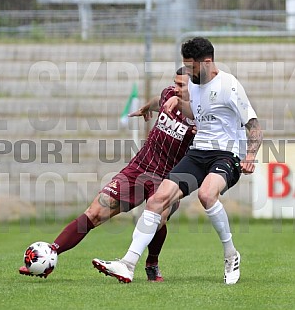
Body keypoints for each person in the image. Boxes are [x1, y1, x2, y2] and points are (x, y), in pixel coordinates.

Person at [92, 36, 263, 285]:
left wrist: (250, 156)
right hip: (198, 153)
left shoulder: (229, 86)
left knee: (206, 195)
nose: (189, 72)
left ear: (207, 62)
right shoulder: (193, 84)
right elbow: (198, 112)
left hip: (226, 155)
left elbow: (254, 126)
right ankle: (127, 264)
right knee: (157, 200)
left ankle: (230, 254)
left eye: (192, 66)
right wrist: (174, 103)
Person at [19, 67, 196, 281]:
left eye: (181, 85)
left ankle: (151, 263)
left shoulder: (202, 114)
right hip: (139, 167)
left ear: (195, 85)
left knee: (157, 218)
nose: (174, 89)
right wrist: (146, 107)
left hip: (170, 177)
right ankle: (50, 253)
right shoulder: (169, 94)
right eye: (174, 83)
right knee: (94, 212)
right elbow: (160, 100)